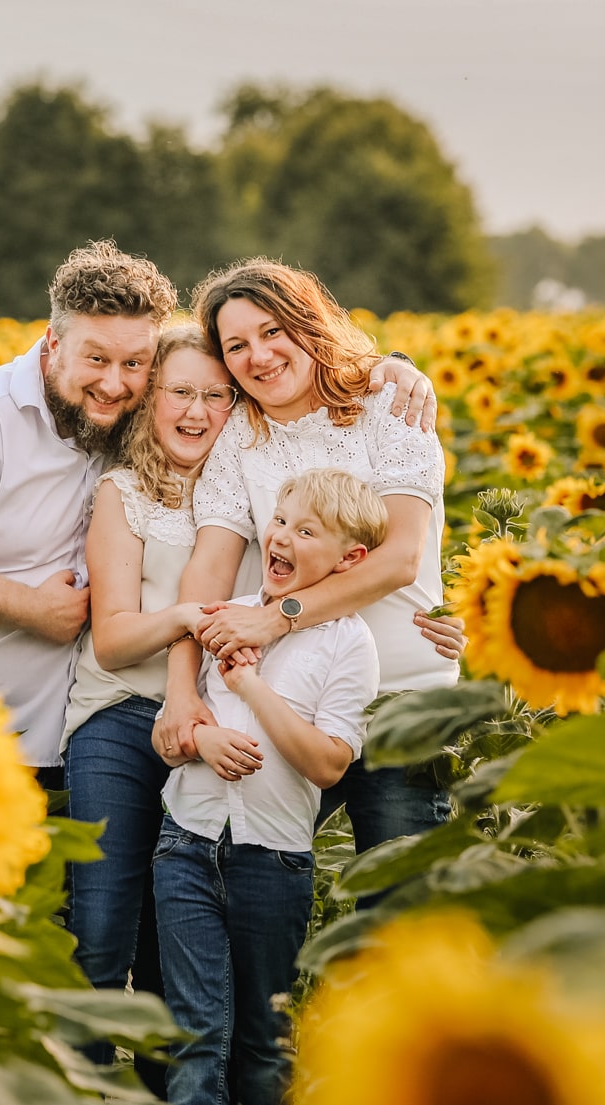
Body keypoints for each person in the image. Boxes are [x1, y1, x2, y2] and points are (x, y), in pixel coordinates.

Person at [0, 242, 438, 785]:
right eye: (96, 358)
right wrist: (36, 610)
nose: (114, 381)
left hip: (55, 724)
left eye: (134, 363)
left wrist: (392, 363)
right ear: (51, 344)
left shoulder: (127, 416)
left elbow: (393, 547)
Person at [153, 469, 388, 1105]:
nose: (282, 538)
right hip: (186, 844)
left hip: (273, 860)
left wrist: (250, 682)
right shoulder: (221, 617)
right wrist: (195, 738)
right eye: (280, 521)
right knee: (197, 1032)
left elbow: (328, 760)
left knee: (259, 1041)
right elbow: (170, 734)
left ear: (349, 557)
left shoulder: (347, 642)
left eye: (306, 530)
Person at [61, 322, 260, 1105]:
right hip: (118, 729)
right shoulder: (124, 494)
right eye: (179, 391)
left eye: (215, 395)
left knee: (172, 966)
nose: (196, 410)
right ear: (150, 402)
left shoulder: (256, 488)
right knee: (101, 945)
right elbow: (110, 639)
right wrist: (189, 614)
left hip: (212, 737)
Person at [155, 259, 460, 854]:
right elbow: (208, 572)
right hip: (285, 702)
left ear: (308, 323)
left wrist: (276, 616)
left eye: (273, 331)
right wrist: (180, 688)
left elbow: (399, 557)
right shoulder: (239, 437)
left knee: (398, 908)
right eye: (237, 345)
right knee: (257, 886)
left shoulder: (389, 408)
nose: (259, 356)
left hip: (400, 700)